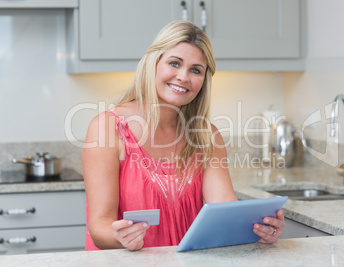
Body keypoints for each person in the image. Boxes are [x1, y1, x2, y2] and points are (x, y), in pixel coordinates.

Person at [82, 20, 285, 251]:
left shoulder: (207, 136)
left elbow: (225, 211)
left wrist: (259, 229)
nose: (183, 77)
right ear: (153, 63)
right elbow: (99, 226)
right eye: (174, 63)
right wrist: (119, 237)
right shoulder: (108, 128)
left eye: (195, 70)